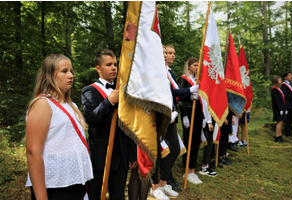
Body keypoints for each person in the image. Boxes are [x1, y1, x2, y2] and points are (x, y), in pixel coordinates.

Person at [26, 54, 93, 200]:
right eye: (64, 71)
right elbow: (33, 153)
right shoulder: (43, 104)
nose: (71, 75)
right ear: (49, 75)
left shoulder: (72, 106)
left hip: (76, 184)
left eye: (71, 71)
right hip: (54, 187)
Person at [81, 50, 137, 200]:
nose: (113, 68)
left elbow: (129, 124)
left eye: (115, 64)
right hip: (100, 156)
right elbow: (92, 119)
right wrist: (109, 101)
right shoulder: (90, 91)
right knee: (96, 195)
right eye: (108, 65)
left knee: (118, 196)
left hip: (121, 155)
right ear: (98, 68)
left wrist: (132, 153)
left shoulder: (122, 90)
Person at [150, 45, 198, 200]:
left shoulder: (169, 72)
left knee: (175, 149)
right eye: (164, 52)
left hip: (171, 116)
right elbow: (168, 93)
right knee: (156, 152)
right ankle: (154, 186)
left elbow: (174, 94)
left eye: (168, 53)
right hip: (157, 117)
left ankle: (163, 183)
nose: (166, 55)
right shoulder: (154, 72)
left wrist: (190, 96)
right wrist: (190, 91)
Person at [178, 57, 207, 183]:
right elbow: (180, 98)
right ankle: (186, 170)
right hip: (189, 114)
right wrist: (184, 115)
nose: (197, 68)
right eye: (195, 65)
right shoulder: (183, 79)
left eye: (198, 65)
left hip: (198, 114)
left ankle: (192, 170)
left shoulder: (198, 81)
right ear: (189, 66)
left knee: (195, 142)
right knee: (188, 141)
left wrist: (205, 116)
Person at [271, 76, 288, 143]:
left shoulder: (279, 89)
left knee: (281, 122)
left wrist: (284, 108)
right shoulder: (274, 89)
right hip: (278, 109)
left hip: (282, 108)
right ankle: (277, 137)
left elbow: (282, 100)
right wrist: (280, 109)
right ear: (276, 81)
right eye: (280, 80)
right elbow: (276, 100)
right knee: (279, 122)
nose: (281, 81)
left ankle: (280, 136)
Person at [281, 71, 292, 137]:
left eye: (290, 75)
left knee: (290, 119)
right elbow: (286, 94)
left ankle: (290, 132)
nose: (291, 76)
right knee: (287, 119)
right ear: (285, 77)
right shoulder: (284, 85)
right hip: (287, 105)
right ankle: (287, 133)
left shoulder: (290, 85)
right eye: (289, 75)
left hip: (291, 105)